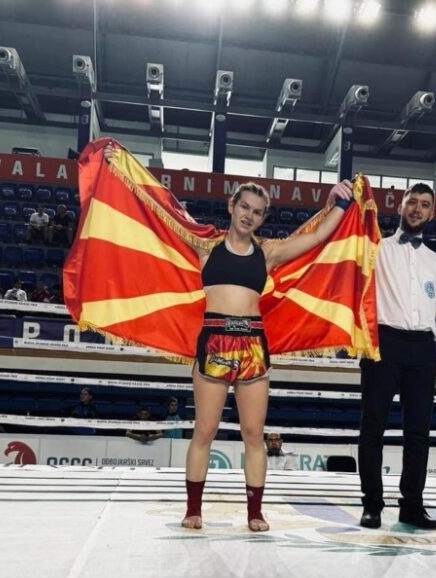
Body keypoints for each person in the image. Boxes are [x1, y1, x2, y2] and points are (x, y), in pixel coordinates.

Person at [151, 168, 354, 531]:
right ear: (231, 206)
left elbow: (318, 236)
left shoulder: (269, 252)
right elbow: (160, 214)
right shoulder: (206, 245)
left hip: (253, 347)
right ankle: (193, 510)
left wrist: (338, 203)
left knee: (254, 434)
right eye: (244, 206)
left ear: (262, 218)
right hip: (214, 343)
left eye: (257, 212)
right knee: (205, 431)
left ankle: (255, 512)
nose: (249, 215)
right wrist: (118, 171)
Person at [358, 184, 436, 531]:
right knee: (373, 427)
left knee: (418, 431)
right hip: (384, 342)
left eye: (424, 204)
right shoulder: (376, 248)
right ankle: (371, 504)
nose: (417, 209)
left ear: (432, 213)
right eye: (412, 202)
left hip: (424, 347)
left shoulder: (435, 261)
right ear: (400, 206)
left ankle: (412, 506)